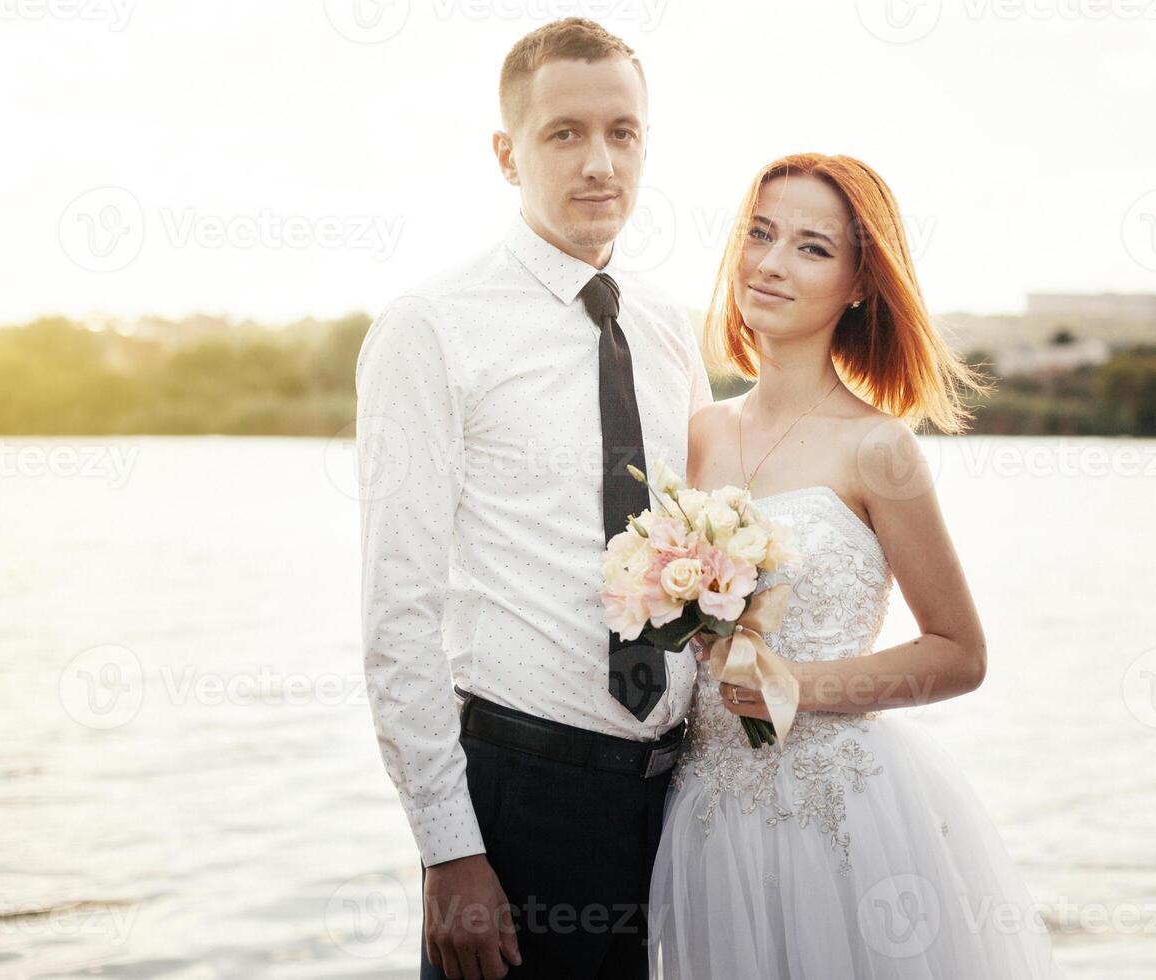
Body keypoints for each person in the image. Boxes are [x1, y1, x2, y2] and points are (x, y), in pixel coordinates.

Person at [648, 153, 1067, 978]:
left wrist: (799, 685)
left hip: (840, 815)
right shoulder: (692, 434)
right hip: (704, 818)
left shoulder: (881, 449)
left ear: (859, 284)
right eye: (760, 234)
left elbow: (959, 652)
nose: (770, 263)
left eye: (811, 248)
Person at [355, 18, 711, 980]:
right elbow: (398, 610)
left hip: (680, 798)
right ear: (508, 154)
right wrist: (449, 850)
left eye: (623, 133)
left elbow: (708, 551)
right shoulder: (431, 329)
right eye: (565, 134)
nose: (600, 163)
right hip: (523, 799)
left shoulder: (672, 329)